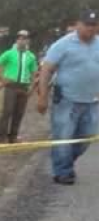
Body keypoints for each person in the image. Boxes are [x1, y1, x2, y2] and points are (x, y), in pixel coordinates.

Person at [37, 10, 99, 186]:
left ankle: (64, 161)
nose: (90, 29)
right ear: (78, 24)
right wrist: (42, 97)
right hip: (66, 100)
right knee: (64, 137)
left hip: (92, 101)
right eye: (87, 25)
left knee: (87, 138)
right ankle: (62, 172)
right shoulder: (62, 45)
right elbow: (46, 70)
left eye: (94, 25)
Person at [0, 31, 39, 144]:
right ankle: (1, 137)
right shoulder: (9, 53)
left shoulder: (31, 56)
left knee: (19, 113)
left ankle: (13, 136)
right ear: (17, 40)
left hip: (24, 87)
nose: (23, 40)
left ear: (28, 40)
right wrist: (1, 79)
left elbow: (34, 72)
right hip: (11, 86)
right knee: (7, 111)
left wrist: (32, 87)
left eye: (25, 38)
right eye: (20, 38)